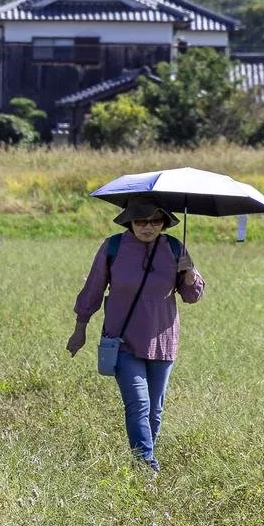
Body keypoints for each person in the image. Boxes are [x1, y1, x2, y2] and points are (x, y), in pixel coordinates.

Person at [66, 199, 205, 471]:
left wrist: (189, 272)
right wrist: (79, 330)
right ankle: (147, 465)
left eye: (155, 221)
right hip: (123, 341)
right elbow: (93, 290)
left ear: (164, 223)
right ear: (129, 221)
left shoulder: (175, 248)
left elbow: (192, 296)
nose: (148, 226)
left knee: (154, 410)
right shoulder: (113, 247)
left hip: (163, 342)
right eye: (141, 221)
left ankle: (141, 463)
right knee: (138, 404)